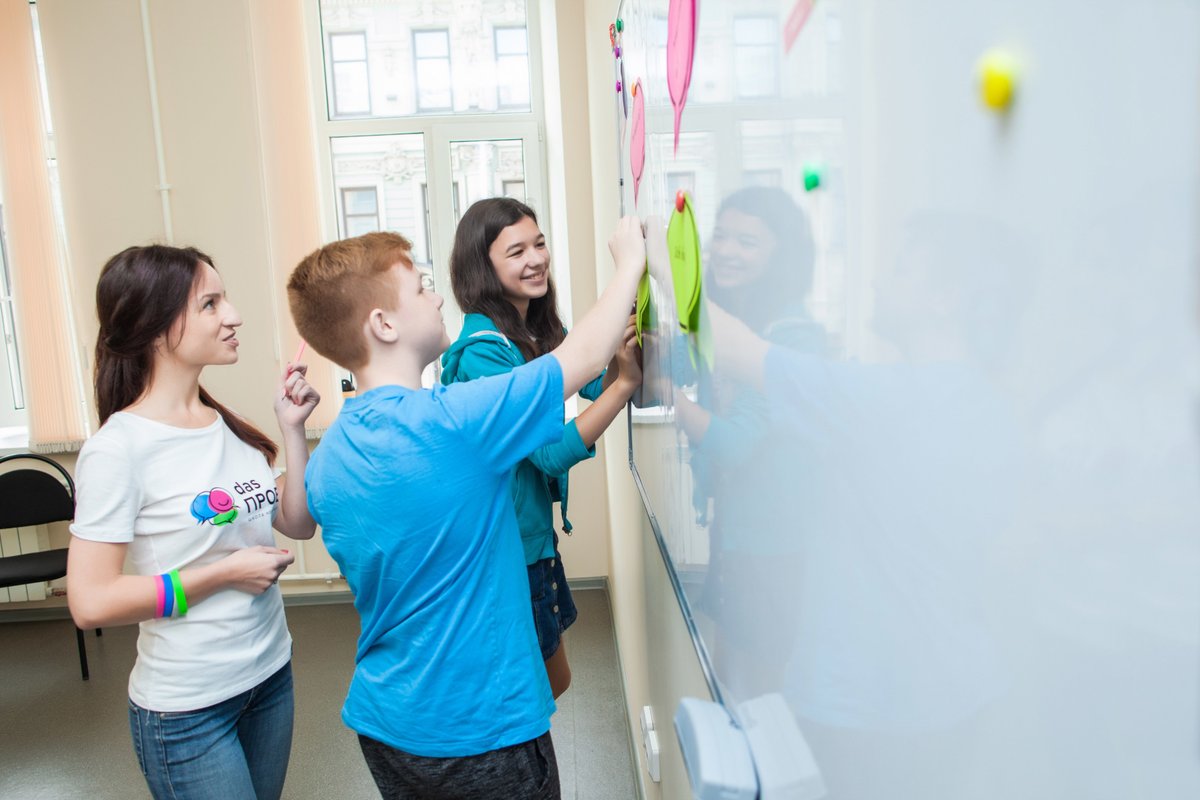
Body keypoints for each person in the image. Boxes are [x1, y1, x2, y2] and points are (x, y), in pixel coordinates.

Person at [287, 218, 644, 799]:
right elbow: (583, 356)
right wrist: (630, 261)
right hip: (482, 731)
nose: (436, 298)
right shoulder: (456, 420)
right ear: (383, 324)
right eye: (421, 287)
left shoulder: (328, 459)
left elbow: (298, 518)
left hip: (387, 723)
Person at [66, 244, 319, 800]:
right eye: (210, 304)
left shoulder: (227, 425)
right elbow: (90, 602)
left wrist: (293, 429)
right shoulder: (119, 449)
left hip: (269, 677)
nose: (234, 316)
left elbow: (297, 524)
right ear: (156, 327)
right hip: (188, 710)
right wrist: (223, 575)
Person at [440, 197, 642, 698]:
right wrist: (624, 386)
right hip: (506, 550)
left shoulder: (533, 326)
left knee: (549, 682)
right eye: (516, 252)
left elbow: (592, 381)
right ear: (482, 268)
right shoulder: (483, 353)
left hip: (532, 540)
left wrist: (624, 360)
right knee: (537, 689)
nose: (536, 260)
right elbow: (548, 453)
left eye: (539, 244)